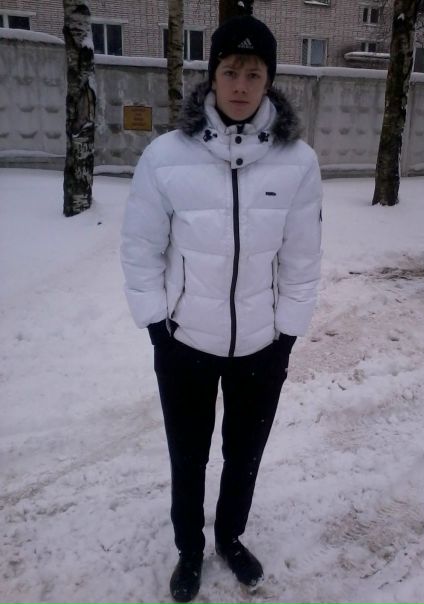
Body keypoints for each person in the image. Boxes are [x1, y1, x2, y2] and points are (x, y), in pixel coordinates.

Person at [121, 15, 322, 603]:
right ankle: (189, 548)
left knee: (243, 455)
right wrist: (157, 326)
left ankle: (230, 537)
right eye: (230, 71)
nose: (240, 85)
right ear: (212, 76)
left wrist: (287, 335)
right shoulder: (165, 156)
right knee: (188, 458)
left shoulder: (297, 161)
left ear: (269, 81)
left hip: (262, 346)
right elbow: (139, 247)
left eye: (253, 74)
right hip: (185, 342)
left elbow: (302, 259)